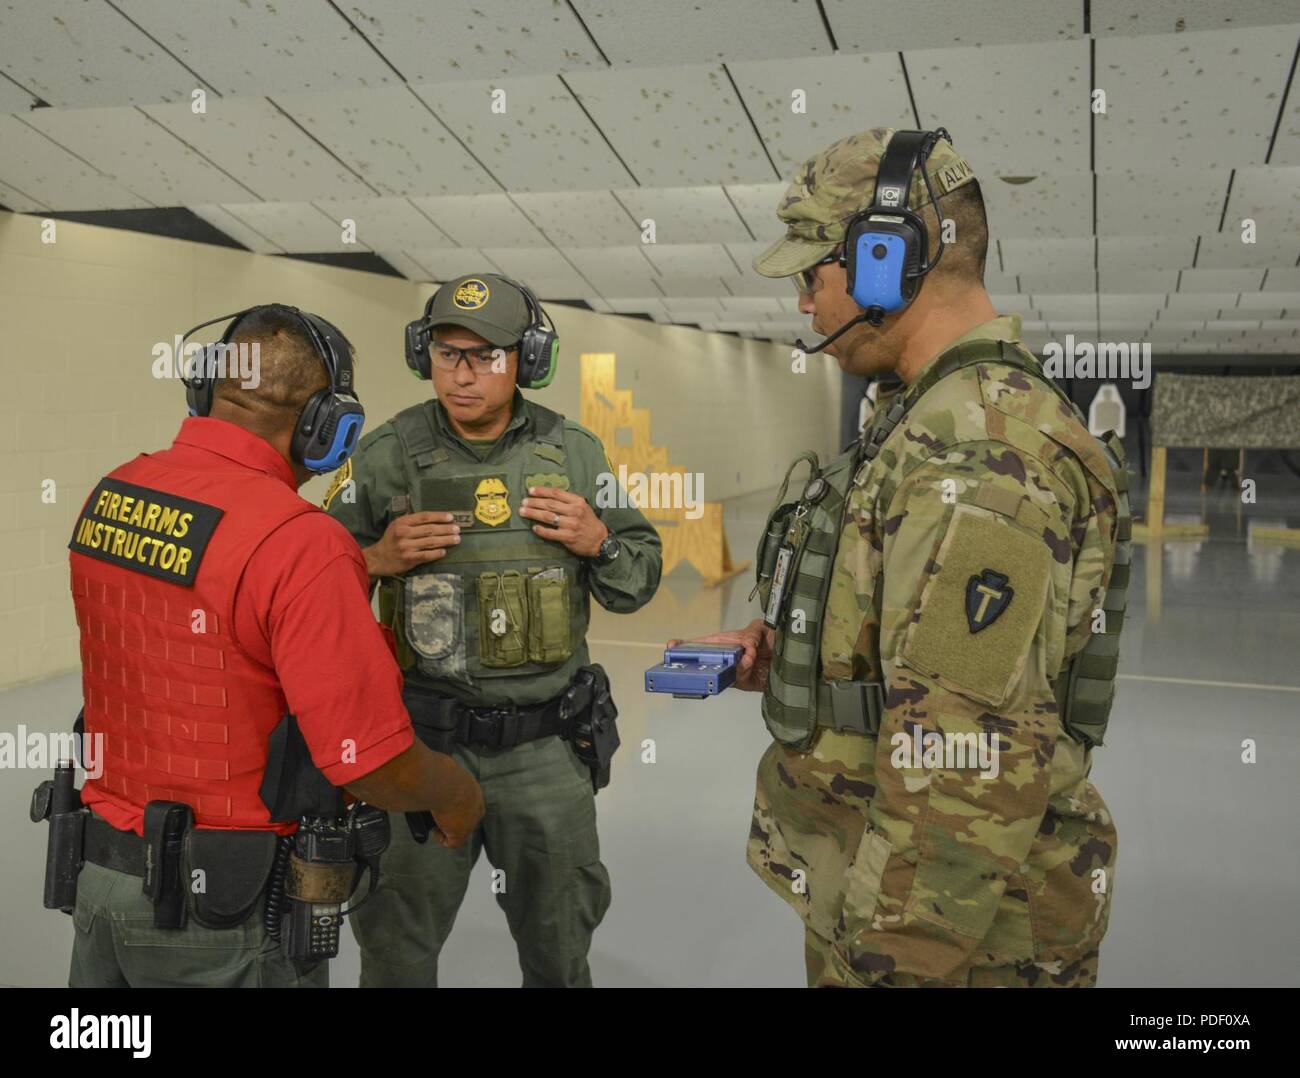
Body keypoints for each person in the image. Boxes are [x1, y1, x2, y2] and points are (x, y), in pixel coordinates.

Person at [684, 129, 1130, 987]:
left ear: (886, 258)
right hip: (889, 893)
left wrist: (887, 964)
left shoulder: (978, 455)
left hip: (949, 944)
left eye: (814, 277)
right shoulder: (926, 419)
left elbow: (965, 761)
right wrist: (810, 661)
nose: (805, 307)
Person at [59, 304, 483, 988]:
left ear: (205, 389)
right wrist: (455, 791)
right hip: (225, 912)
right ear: (327, 426)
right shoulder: (302, 543)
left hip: (101, 883)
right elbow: (364, 763)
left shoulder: (113, 494)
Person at [327, 273, 662, 987]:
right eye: (448, 354)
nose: (464, 374)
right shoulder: (385, 455)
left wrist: (598, 541)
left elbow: (639, 576)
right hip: (423, 747)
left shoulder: (574, 453)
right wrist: (375, 559)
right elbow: (308, 591)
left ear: (527, 360)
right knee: (395, 946)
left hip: (544, 750)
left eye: (486, 356)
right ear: (425, 356)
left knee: (559, 947)